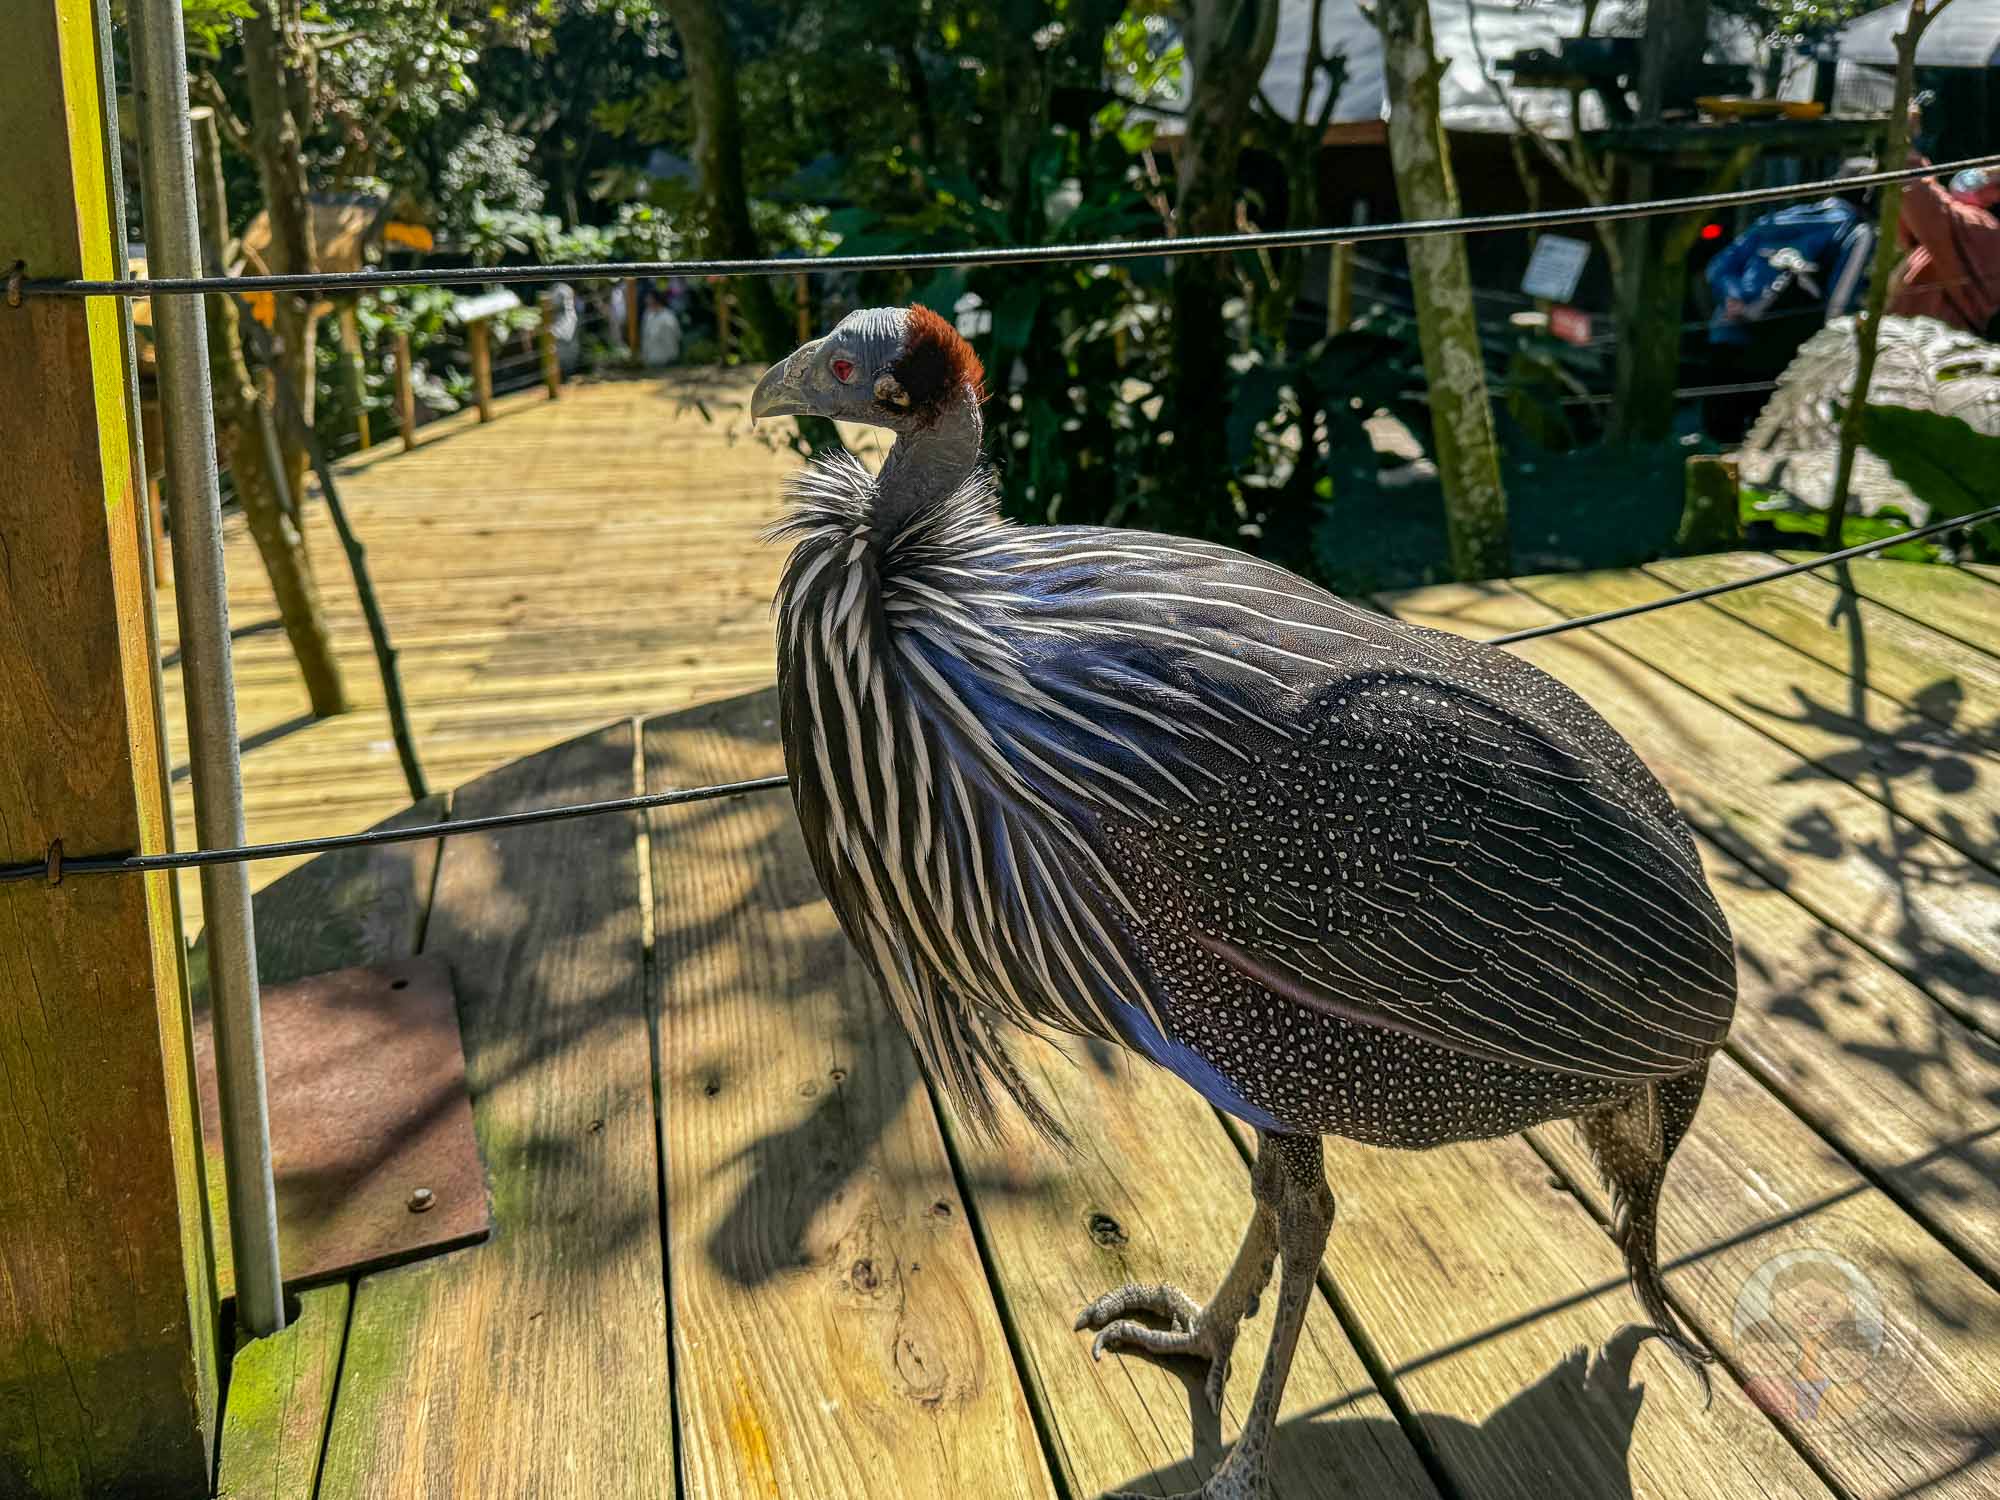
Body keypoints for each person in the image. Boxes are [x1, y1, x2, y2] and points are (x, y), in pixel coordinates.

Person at [1702, 161, 1877, 440]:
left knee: (1718, 444)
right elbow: (1838, 305)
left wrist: (1734, 298)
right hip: (1784, 353)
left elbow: (1718, 267)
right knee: (1766, 451)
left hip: (1728, 336)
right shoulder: (1856, 232)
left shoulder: (1779, 218)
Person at [1889, 105, 2000, 339]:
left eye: (1991, 176)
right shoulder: (1975, 230)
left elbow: (1926, 205)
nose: (1981, 174)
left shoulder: (1984, 230)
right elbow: (1913, 221)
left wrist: (1904, 142)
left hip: (1933, 349)